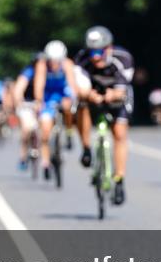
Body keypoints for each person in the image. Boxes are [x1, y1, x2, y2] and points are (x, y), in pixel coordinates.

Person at [73, 26, 135, 205]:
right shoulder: (82, 59)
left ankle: (119, 180)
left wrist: (110, 96)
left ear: (108, 48)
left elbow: (121, 91)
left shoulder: (123, 59)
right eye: (92, 52)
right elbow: (80, 86)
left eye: (99, 52)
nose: (95, 57)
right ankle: (86, 148)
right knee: (81, 106)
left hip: (117, 94)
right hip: (93, 93)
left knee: (120, 133)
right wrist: (90, 95)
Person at [32, 40, 86, 182]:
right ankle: (45, 162)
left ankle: (68, 130)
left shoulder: (67, 64)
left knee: (68, 108)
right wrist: (39, 101)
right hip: (48, 96)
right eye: (52, 61)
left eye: (57, 61)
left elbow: (72, 84)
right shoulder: (42, 65)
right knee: (45, 130)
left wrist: (72, 97)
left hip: (63, 93)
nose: (54, 64)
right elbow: (39, 84)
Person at [13, 53, 44, 171]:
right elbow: (19, 88)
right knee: (26, 130)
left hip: (42, 104)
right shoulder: (28, 72)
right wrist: (19, 100)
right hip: (27, 103)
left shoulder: (49, 73)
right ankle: (23, 157)